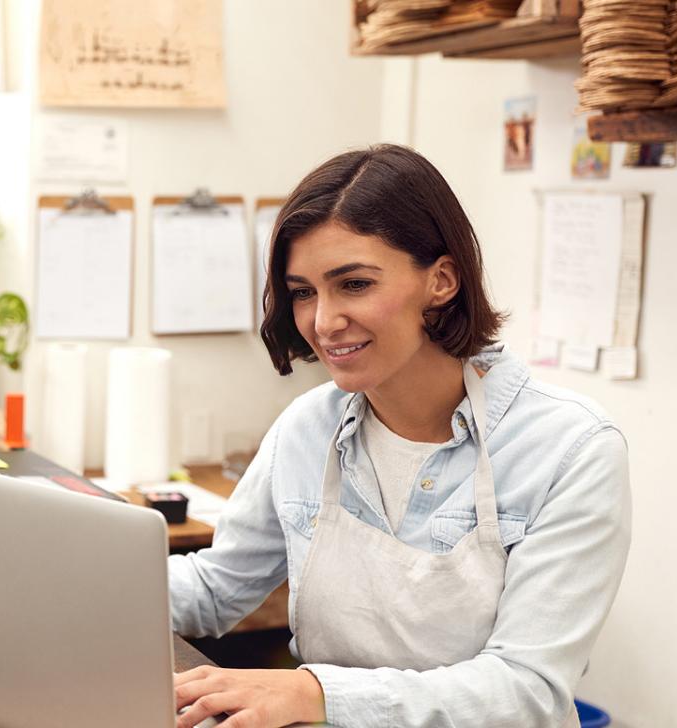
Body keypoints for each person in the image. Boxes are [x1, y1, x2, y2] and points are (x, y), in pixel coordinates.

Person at [168, 144, 631, 728]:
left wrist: (317, 695)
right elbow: (215, 588)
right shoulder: (308, 427)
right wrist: (69, 579)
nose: (322, 321)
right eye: (304, 291)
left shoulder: (571, 449)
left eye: (354, 284)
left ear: (441, 280)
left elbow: (526, 690)